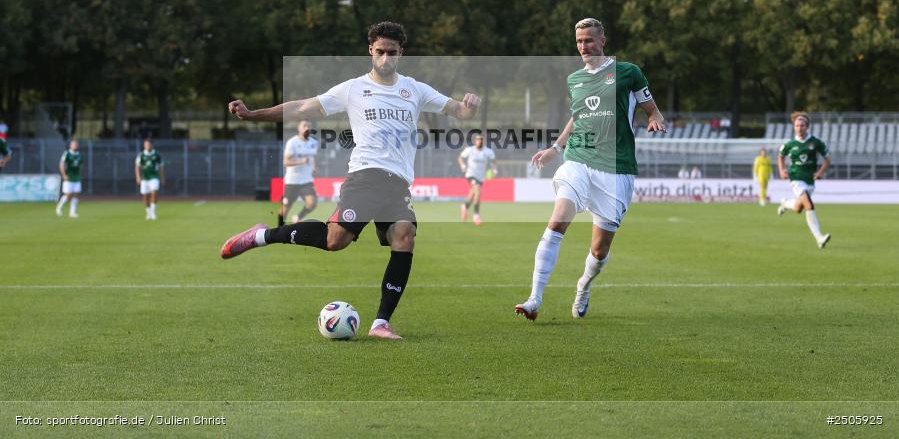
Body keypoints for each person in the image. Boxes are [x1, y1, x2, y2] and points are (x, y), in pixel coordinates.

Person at [220, 21, 481, 340]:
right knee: (336, 240)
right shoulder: (353, 89)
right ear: (371, 50)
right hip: (365, 175)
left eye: (393, 53)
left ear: (401, 53)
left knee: (405, 235)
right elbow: (302, 106)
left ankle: (381, 322)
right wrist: (253, 114)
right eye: (381, 52)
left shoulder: (414, 89)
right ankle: (264, 235)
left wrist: (468, 107)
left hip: (398, 182)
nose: (386, 59)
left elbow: (458, 111)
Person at [515, 17, 667, 321]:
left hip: (616, 167)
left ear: (602, 41)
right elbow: (577, 117)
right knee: (558, 220)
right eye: (579, 41)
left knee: (599, 251)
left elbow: (652, 109)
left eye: (589, 40)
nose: (584, 46)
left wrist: (655, 120)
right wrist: (555, 148)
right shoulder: (575, 80)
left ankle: (583, 286)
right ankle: (534, 299)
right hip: (579, 160)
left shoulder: (628, 73)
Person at [777, 112, 831, 248]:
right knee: (809, 205)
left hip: (810, 179)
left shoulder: (816, 142)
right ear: (794, 127)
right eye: (796, 125)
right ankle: (819, 237)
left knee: (798, 208)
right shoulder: (790, 144)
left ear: (807, 127)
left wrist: (820, 172)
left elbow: (828, 158)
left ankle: (784, 204)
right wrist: (782, 170)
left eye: (802, 125)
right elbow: (780, 156)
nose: (799, 128)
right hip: (795, 178)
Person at [281, 120, 319, 225]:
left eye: (309, 126)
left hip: (306, 180)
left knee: (312, 203)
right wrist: (301, 161)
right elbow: (286, 162)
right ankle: (278, 228)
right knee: (286, 208)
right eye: (304, 125)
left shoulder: (313, 143)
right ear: (299, 128)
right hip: (292, 180)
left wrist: (315, 168)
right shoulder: (292, 142)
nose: (307, 127)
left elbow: (314, 157)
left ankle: (298, 217)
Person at [458, 133, 497, 225]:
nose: (480, 141)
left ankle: (464, 206)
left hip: (480, 176)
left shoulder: (488, 151)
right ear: (475, 141)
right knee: (477, 191)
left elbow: (494, 161)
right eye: (478, 139)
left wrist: (495, 170)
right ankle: (476, 215)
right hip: (471, 174)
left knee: (473, 193)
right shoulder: (470, 150)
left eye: (481, 139)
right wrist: (463, 166)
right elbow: (460, 157)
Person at [135, 139, 164, 220]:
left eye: (148, 144)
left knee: (154, 193)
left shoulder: (157, 155)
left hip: (154, 177)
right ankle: (148, 213)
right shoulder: (141, 155)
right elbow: (137, 166)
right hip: (145, 178)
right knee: (145, 196)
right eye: (146, 144)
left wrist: (162, 177)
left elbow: (161, 166)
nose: (147, 146)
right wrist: (138, 177)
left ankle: (153, 212)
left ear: (152, 145)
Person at [56, 140, 83, 218]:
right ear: (70, 146)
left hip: (77, 177)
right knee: (68, 195)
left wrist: (80, 174)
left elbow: (81, 165)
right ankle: (59, 207)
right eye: (73, 144)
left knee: (77, 194)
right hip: (69, 176)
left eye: (76, 144)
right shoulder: (67, 153)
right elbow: (61, 164)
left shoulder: (79, 154)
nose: (75, 146)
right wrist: (64, 174)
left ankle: (72, 212)